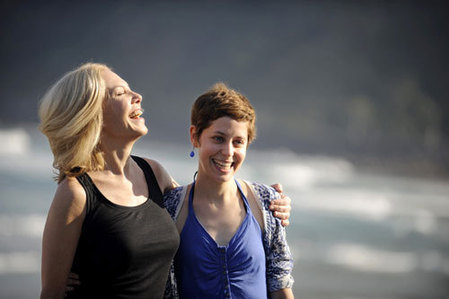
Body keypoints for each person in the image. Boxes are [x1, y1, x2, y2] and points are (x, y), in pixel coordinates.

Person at [39, 63, 292, 299]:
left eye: (238, 142)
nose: (136, 95)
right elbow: (53, 291)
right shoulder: (76, 192)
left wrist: (271, 201)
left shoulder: (153, 173)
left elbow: (202, 199)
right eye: (120, 93)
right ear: (91, 113)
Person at [163, 83, 294, 298]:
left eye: (238, 142)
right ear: (195, 136)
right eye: (218, 138)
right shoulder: (171, 208)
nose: (228, 152)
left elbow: (280, 283)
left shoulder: (265, 203)